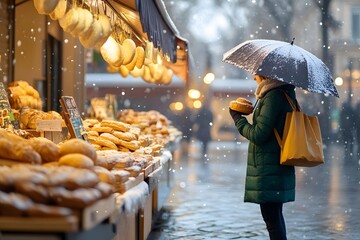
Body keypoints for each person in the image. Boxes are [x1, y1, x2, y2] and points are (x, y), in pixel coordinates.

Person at [229, 74, 296, 240]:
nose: (254, 78)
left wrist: (238, 119)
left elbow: (259, 135)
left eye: (256, 74)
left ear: (266, 74)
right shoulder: (281, 93)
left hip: (269, 166)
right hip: (275, 163)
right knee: (275, 216)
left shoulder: (273, 96)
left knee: (272, 219)